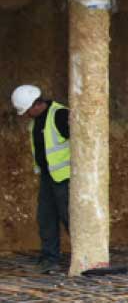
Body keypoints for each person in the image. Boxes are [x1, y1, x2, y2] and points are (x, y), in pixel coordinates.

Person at [11, 85, 71, 273]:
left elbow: (82, 144)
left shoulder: (60, 115)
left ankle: (87, 257)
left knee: (71, 218)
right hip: (48, 177)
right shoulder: (36, 121)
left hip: (66, 178)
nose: (27, 115)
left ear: (36, 105)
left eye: (27, 110)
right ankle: (49, 258)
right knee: (46, 218)